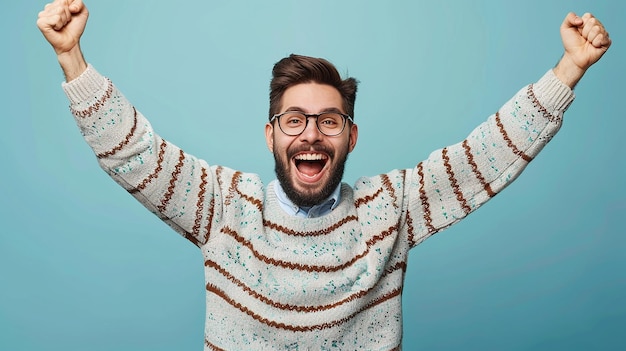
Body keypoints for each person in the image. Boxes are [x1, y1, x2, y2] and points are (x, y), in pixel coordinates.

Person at [37, 0, 611, 349]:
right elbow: (133, 151)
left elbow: (483, 155)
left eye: (329, 120)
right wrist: (72, 59)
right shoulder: (220, 206)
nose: (310, 134)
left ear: (351, 137)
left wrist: (569, 68)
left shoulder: (391, 208)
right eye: (294, 120)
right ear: (270, 135)